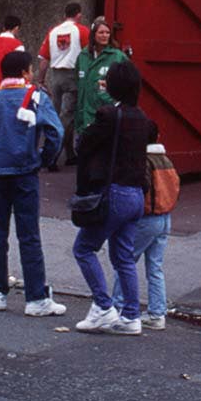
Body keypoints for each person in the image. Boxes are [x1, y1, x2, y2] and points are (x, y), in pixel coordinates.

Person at [72, 59, 156, 335]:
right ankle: (131, 315)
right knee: (123, 257)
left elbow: (84, 144)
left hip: (113, 191)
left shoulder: (108, 115)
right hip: (135, 194)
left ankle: (103, 306)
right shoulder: (144, 119)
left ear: (114, 86)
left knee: (84, 248)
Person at [0, 49, 67, 318]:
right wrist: (44, 158)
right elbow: (57, 132)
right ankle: (35, 298)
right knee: (29, 235)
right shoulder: (36, 98)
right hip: (25, 172)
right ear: (24, 72)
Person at [110, 140, 179, 330]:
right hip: (165, 216)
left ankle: (118, 309)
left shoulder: (143, 161)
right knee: (155, 267)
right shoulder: (165, 160)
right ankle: (157, 313)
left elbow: (142, 188)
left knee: (124, 262)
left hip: (147, 218)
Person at [38, 1, 90, 167]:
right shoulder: (82, 31)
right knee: (67, 117)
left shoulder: (53, 31)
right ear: (78, 15)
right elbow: (90, 55)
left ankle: (70, 154)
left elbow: (44, 59)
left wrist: (41, 79)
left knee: (59, 115)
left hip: (56, 75)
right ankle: (52, 155)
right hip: (73, 75)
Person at [73, 16, 128, 155]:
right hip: (85, 114)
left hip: (106, 112)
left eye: (107, 33)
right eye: (101, 32)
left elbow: (128, 81)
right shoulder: (83, 56)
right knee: (84, 157)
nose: (105, 35)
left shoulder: (117, 56)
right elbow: (78, 82)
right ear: (93, 35)